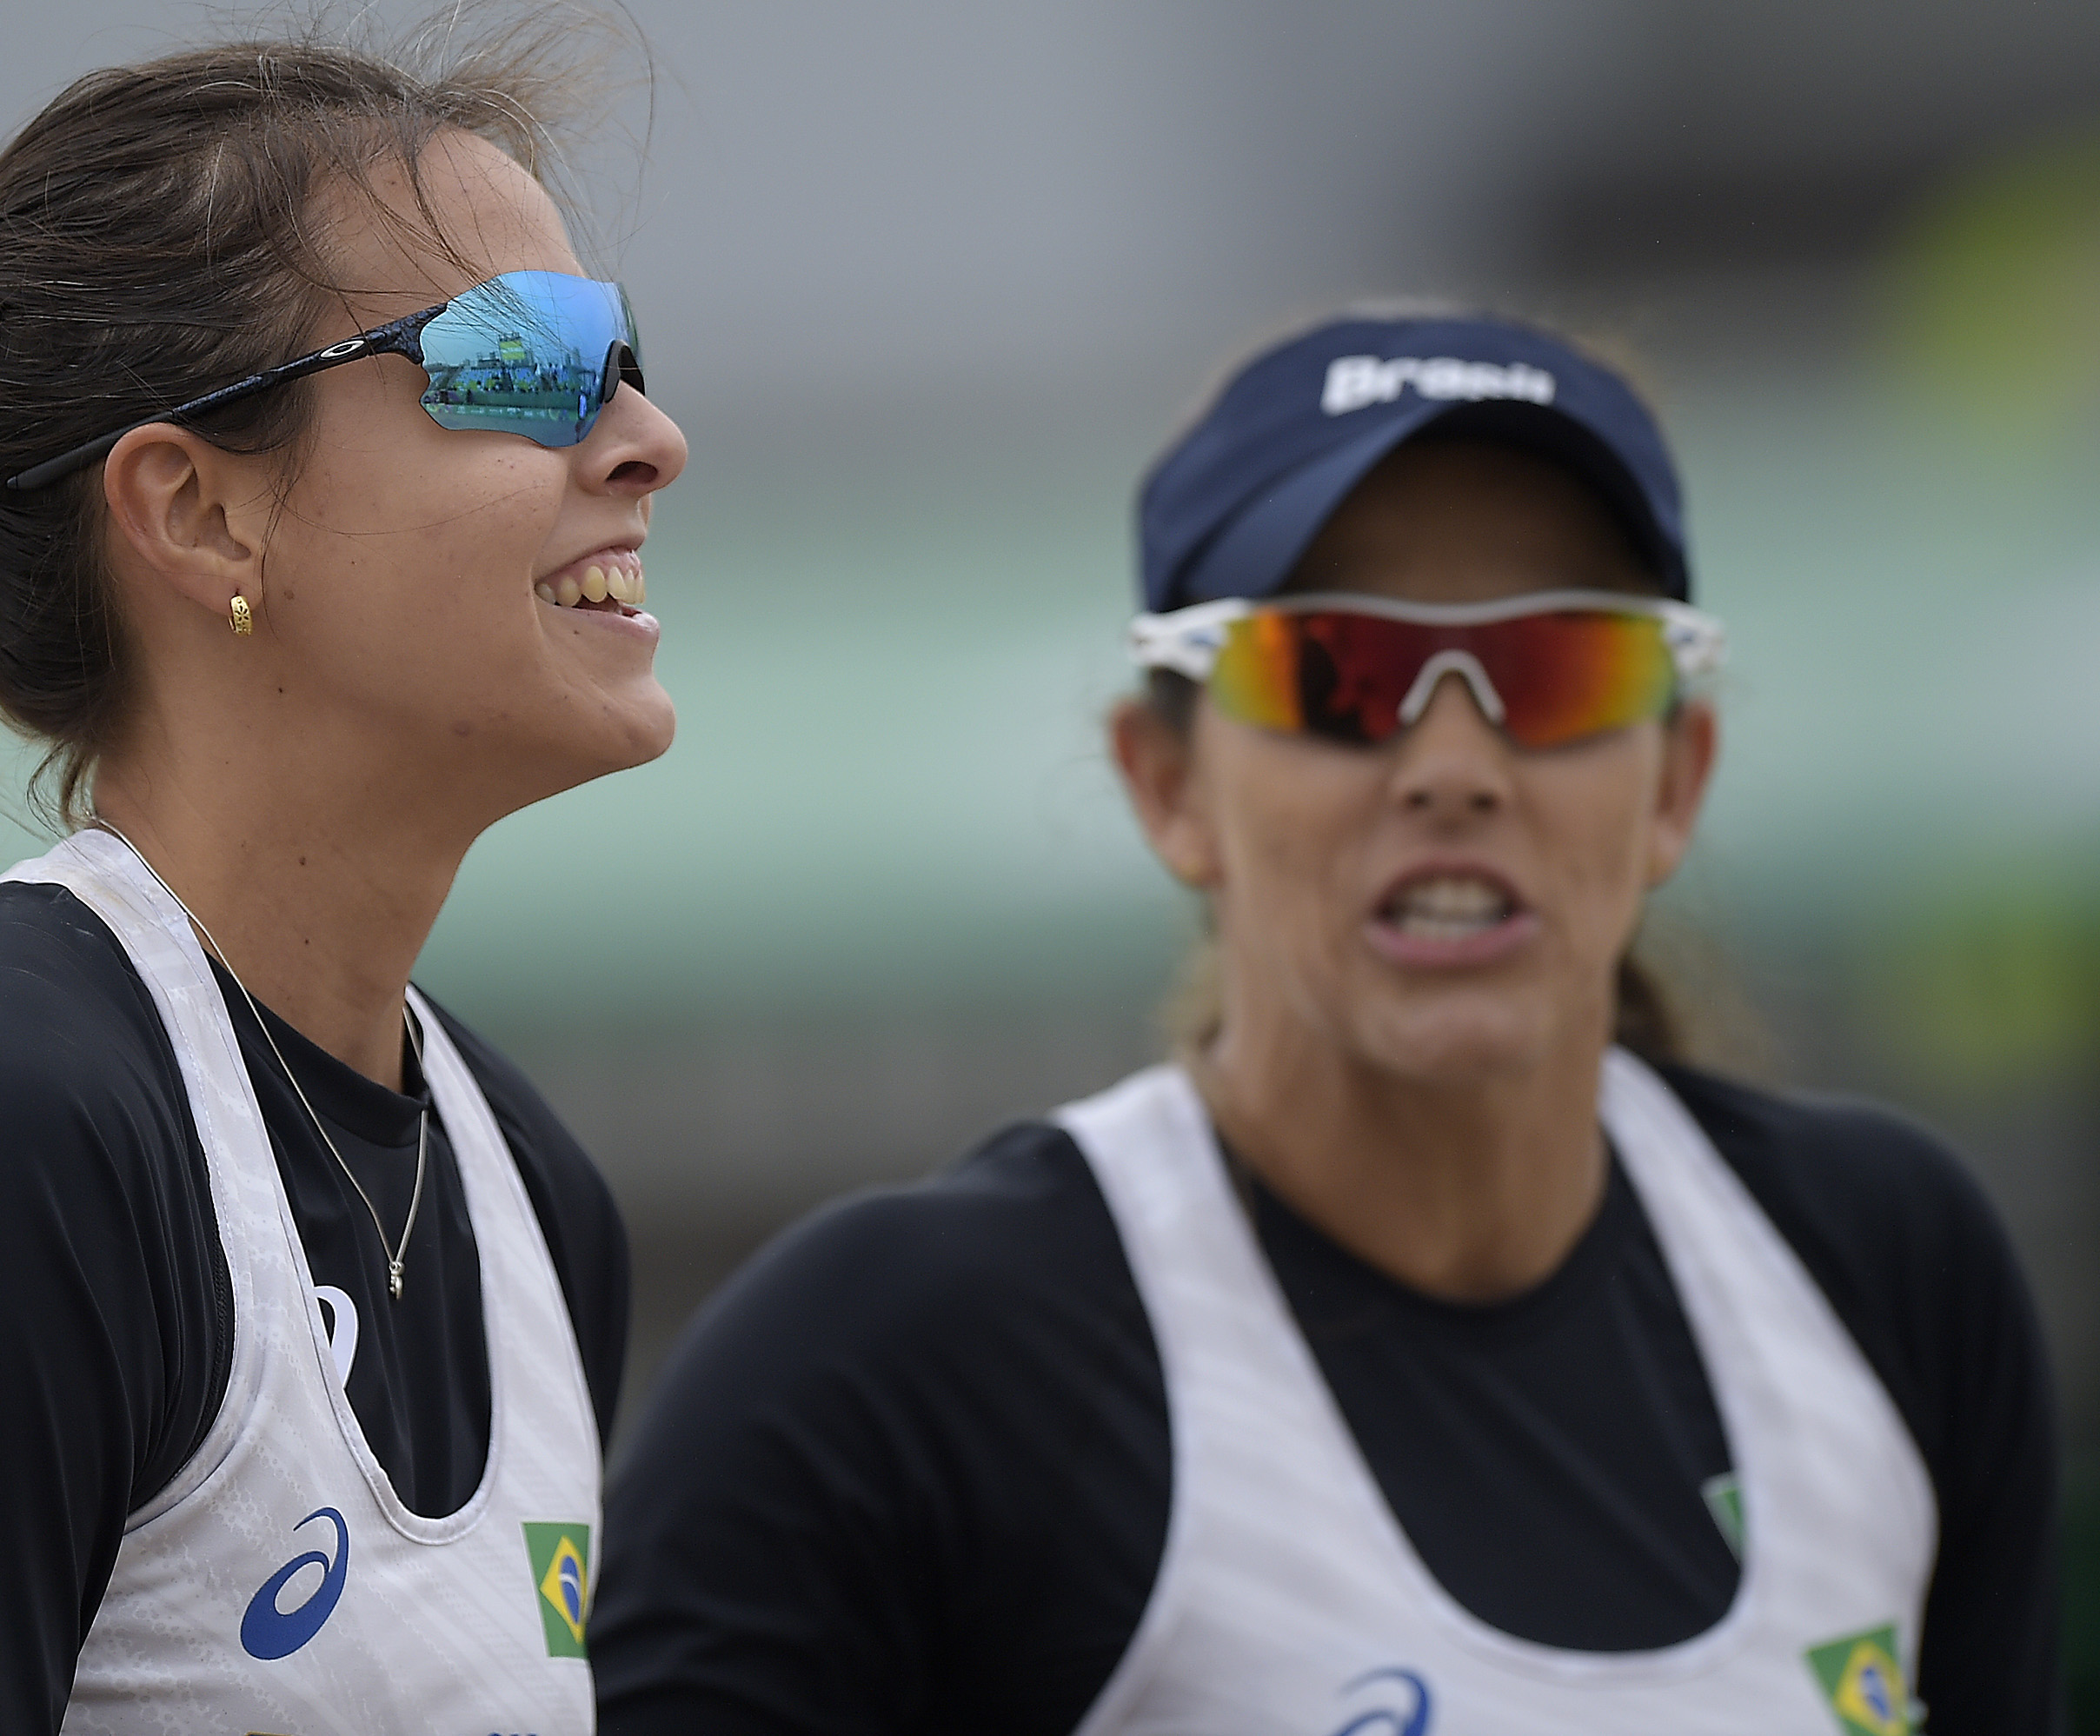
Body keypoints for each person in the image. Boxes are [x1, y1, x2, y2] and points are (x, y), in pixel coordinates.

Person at [590, 315, 2062, 1733]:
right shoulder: (904, 1360)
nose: (1454, 764)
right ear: (1164, 782)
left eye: (1558, 670)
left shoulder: (1881, 1264)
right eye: (1337, 672)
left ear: (1677, 779)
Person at [0, 26, 685, 1736]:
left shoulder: (534, 1192)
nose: (649, 439)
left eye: (623, 355)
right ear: (196, 514)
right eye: (524, 362)